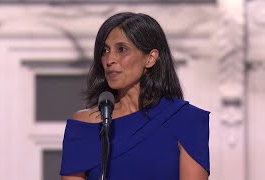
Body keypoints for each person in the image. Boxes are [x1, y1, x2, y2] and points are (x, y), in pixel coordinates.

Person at [60, 12, 210, 180]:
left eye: (122, 49)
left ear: (151, 58)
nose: (109, 60)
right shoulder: (84, 124)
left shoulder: (187, 119)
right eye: (105, 51)